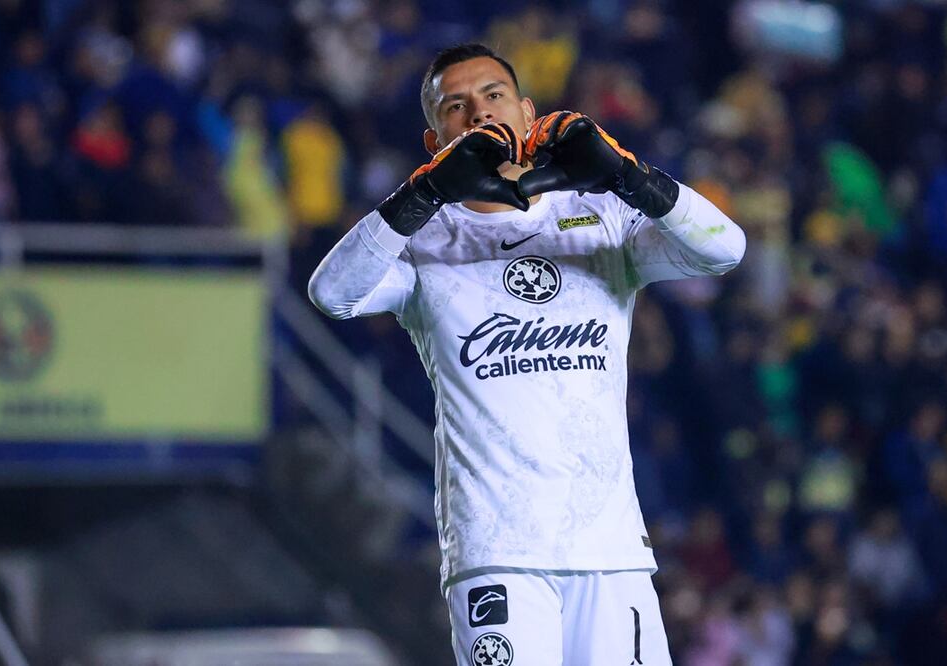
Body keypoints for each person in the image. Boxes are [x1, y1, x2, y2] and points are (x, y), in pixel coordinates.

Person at [308, 43, 745, 665]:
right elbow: (332, 294)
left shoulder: (602, 219)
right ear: (435, 140)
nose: (477, 113)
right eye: (454, 106)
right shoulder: (421, 245)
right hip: (497, 551)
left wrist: (629, 173)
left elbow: (725, 249)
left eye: (493, 95)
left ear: (528, 111)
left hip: (610, 550)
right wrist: (424, 194)